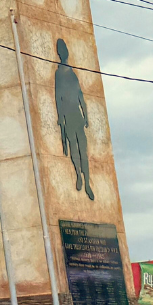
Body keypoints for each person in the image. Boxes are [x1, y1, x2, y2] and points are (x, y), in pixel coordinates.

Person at [53, 38, 94, 199]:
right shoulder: (59, 74)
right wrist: (60, 117)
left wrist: (86, 115)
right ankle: (78, 175)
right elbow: (58, 97)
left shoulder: (72, 73)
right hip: (68, 115)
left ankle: (87, 183)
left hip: (77, 115)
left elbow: (80, 95)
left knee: (82, 151)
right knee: (74, 150)